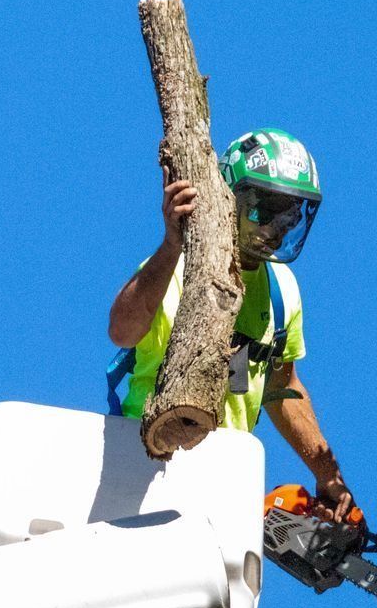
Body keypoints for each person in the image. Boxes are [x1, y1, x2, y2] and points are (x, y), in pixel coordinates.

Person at [108, 128, 358, 523]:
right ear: (229, 200)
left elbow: (283, 385)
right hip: (144, 466)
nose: (276, 228)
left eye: (289, 216)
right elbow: (122, 331)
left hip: (223, 474)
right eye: (265, 210)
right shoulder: (172, 271)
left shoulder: (282, 291)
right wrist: (172, 244)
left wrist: (327, 474)